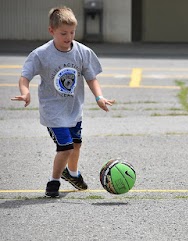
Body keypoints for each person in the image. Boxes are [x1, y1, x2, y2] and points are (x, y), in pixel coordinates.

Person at [11, 6, 115, 197]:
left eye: (72, 32)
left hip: (74, 110)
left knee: (76, 144)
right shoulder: (41, 54)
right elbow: (24, 77)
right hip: (53, 111)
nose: (68, 37)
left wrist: (99, 97)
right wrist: (25, 93)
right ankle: (54, 182)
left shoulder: (82, 52)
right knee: (65, 147)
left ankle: (72, 174)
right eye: (63, 33)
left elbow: (91, 78)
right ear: (52, 31)